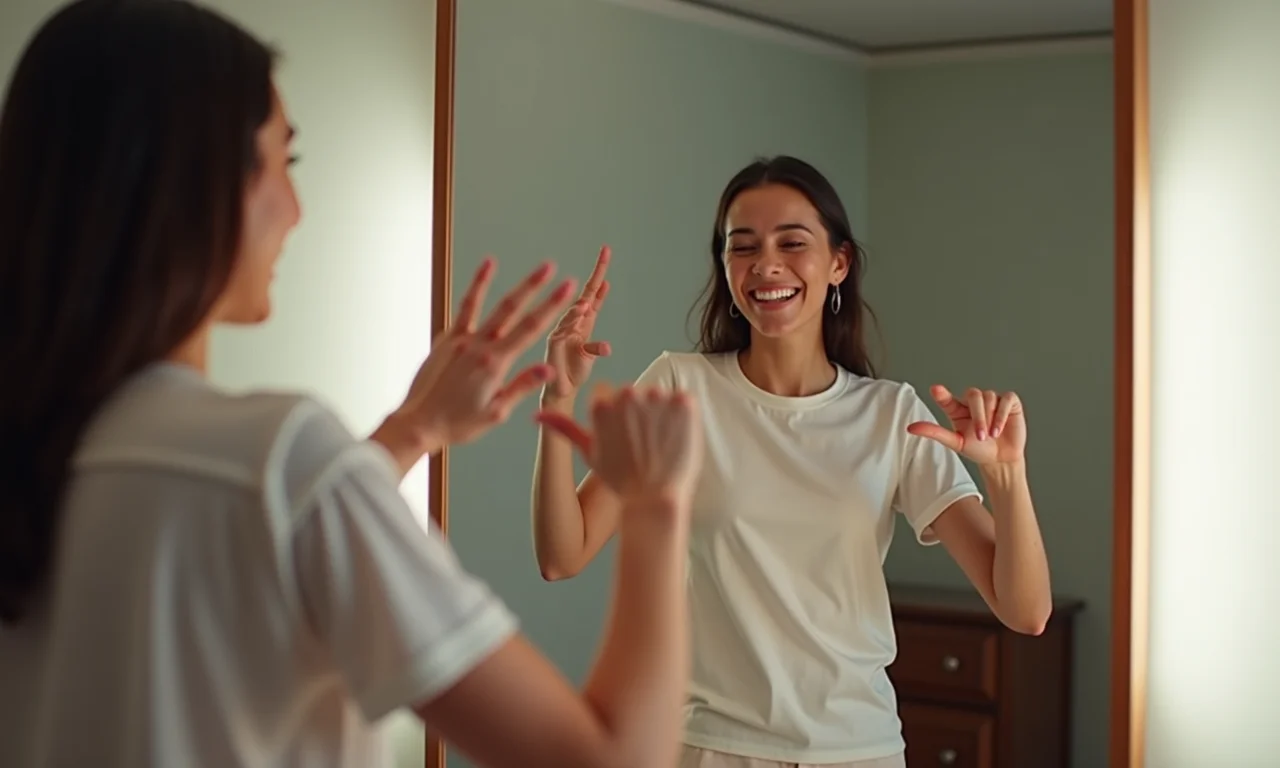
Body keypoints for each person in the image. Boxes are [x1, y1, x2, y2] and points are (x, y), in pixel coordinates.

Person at [0, 2, 704, 767]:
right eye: (282, 162)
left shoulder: (40, 454)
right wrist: (657, 507)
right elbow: (610, 760)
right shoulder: (279, 457)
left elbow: (256, 564)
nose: (296, 209)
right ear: (191, 183)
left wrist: (412, 431)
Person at [532, 156, 1054, 768]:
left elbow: (1026, 611)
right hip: (711, 748)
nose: (766, 265)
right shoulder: (680, 387)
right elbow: (562, 556)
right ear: (725, 266)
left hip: (859, 750)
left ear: (839, 263)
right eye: (742, 247)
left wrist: (1007, 477)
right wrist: (557, 397)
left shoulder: (892, 415)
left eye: (792, 243)